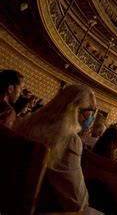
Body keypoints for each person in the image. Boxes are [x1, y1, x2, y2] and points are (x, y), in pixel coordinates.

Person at [14, 84, 95, 212]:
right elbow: (76, 202)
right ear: (76, 110)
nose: (92, 118)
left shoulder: (28, 122)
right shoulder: (69, 140)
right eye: (91, 112)